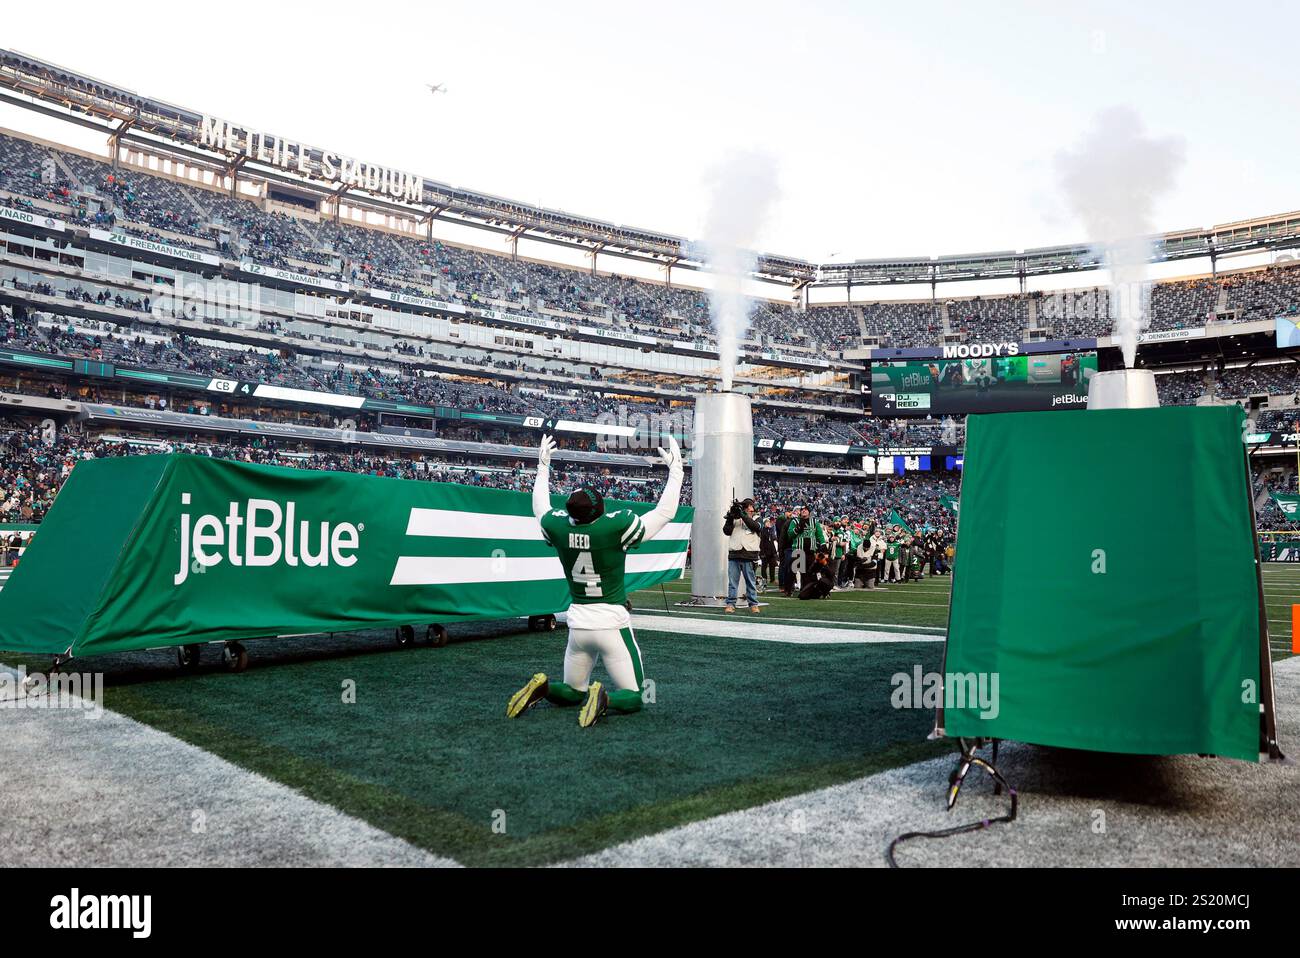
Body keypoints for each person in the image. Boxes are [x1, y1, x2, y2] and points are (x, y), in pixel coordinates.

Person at [506, 433, 683, 728]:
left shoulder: (558, 527)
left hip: (577, 623)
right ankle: (605, 699)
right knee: (636, 696)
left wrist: (542, 467)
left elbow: (540, 509)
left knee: (573, 691)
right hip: (611, 621)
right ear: (600, 511)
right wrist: (676, 471)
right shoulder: (614, 527)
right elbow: (665, 513)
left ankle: (544, 688)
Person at [723, 497, 761, 614]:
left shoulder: (757, 518)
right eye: (748, 507)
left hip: (749, 555)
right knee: (733, 583)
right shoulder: (735, 519)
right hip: (734, 554)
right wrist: (730, 518)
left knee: (750, 582)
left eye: (751, 507)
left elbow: (755, 527)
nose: (751, 509)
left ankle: (753, 604)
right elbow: (726, 531)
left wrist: (743, 515)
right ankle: (730, 604)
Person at [760, 516, 778, 584]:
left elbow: (772, 542)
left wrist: (774, 552)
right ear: (764, 523)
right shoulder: (762, 531)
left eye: (769, 522)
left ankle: (772, 579)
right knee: (764, 567)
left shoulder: (770, 530)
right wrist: (762, 552)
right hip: (765, 551)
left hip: (771, 552)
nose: (769, 523)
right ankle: (764, 579)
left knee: (772, 566)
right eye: (767, 522)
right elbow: (761, 543)